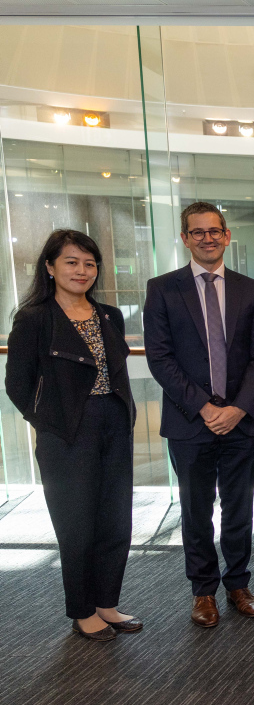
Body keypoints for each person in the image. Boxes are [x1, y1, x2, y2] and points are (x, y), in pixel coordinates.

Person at [144, 202, 254, 628]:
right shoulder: (162, 289)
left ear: (227, 235)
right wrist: (203, 407)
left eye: (214, 230)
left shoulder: (250, 288)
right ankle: (203, 591)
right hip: (189, 421)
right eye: (197, 232)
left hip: (243, 420)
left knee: (239, 508)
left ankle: (238, 584)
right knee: (196, 510)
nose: (207, 238)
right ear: (185, 238)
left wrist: (237, 408)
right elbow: (161, 359)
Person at [5, 230, 139, 641]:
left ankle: (106, 603)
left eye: (89, 263)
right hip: (66, 432)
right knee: (76, 523)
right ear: (49, 267)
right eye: (71, 261)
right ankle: (82, 610)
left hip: (114, 424)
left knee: (115, 520)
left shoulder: (109, 315)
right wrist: (49, 422)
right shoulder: (33, 319)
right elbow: (17, 385)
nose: (81, 270)